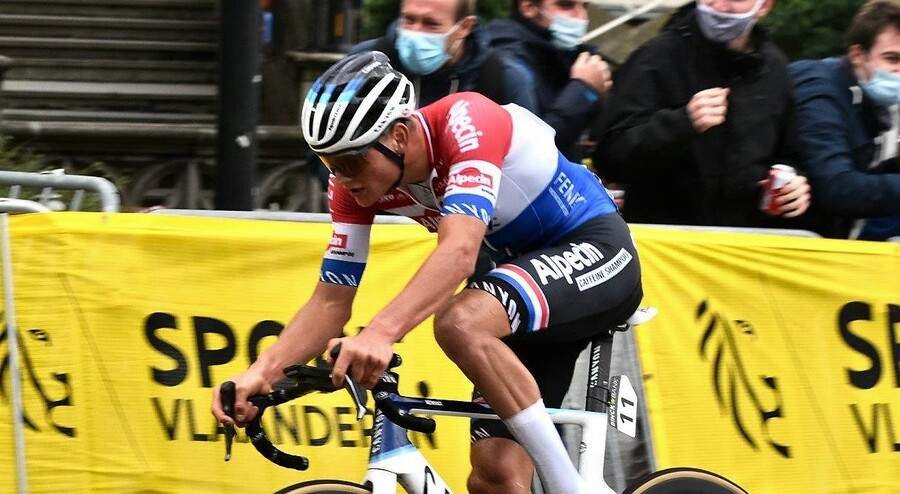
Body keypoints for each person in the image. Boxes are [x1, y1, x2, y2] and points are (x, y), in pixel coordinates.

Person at [211, 51, 643, 494]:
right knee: (495, 478)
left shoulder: (466, 120)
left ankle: (568, 487)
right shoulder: (353, 187)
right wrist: (260, 374)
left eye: (352, 162)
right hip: (519, 285)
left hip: (594, 250)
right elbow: (331, 300)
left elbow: (459, 252)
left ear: (399, 135)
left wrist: (379, 333)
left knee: (460, 322)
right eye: (329, 164)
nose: (342, 177)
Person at [592, 0, 811, 228]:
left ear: (764, 6)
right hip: (667, 241)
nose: (718, 6)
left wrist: (794, 185)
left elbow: (789, 154)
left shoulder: (775, 68)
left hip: (745, 243)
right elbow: (611, 157)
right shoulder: (655, 57)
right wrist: (682, 122)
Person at [789, 0, 900, 240]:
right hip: (784, 251)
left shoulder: (874, 100)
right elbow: (835, 186)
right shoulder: (820, 91)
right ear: (857, 55)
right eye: (892, 59)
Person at [488, 0, 612, 161]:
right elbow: (529, 156)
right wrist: (583, 91)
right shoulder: (508, 64)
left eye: (585, 6)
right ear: (529, 7)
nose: (581, 17)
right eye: (566, 6)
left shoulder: (565, 56)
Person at [349, 0, 527, 107]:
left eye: (431, 24)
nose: (415, 32)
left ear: (464, 27)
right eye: (408, 20)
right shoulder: (364, 63)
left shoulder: (503, 78)